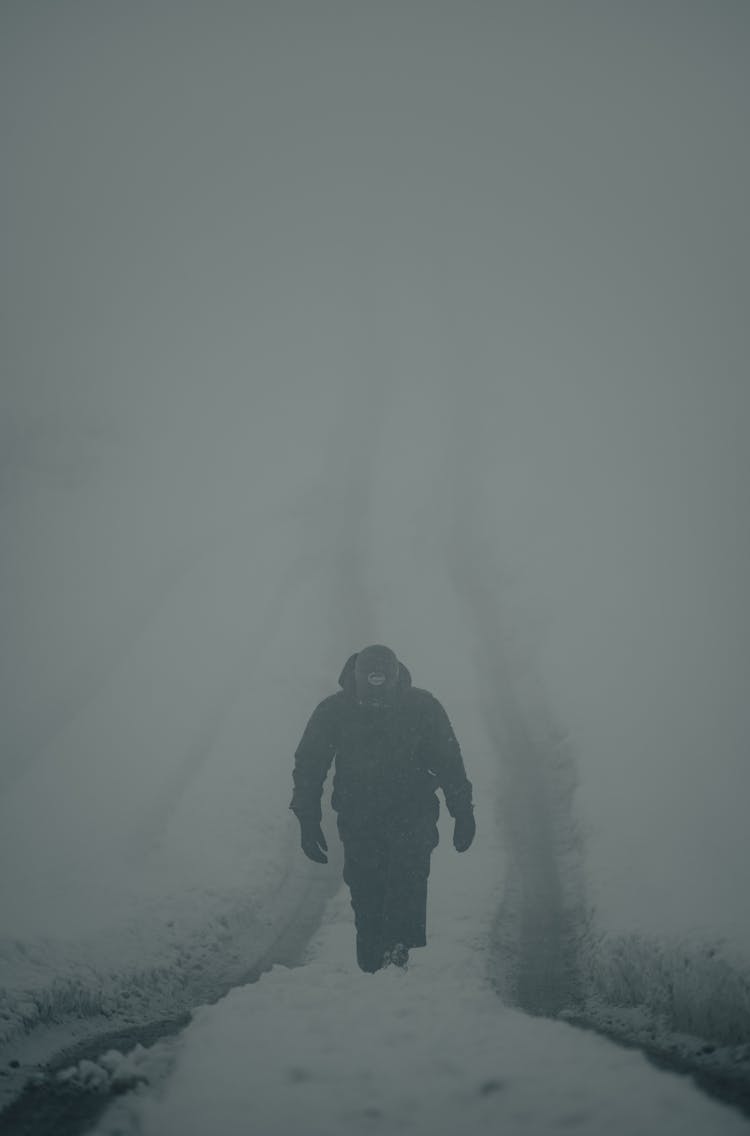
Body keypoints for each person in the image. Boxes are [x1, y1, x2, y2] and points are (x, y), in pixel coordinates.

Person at [290, 644, 475, 972]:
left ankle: (397, 951)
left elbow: (449, 760)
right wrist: (307, 818)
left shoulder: (422, 708)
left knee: (407, 879)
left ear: (394, 679)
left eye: (382, 685)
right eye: (368, 685)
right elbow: (309, 764)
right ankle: (372, 965)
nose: (375, 697)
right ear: (357, 679)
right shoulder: (334, 711)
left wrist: (462, 811)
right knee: (366, 892)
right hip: (359, 819)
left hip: (413, 814)